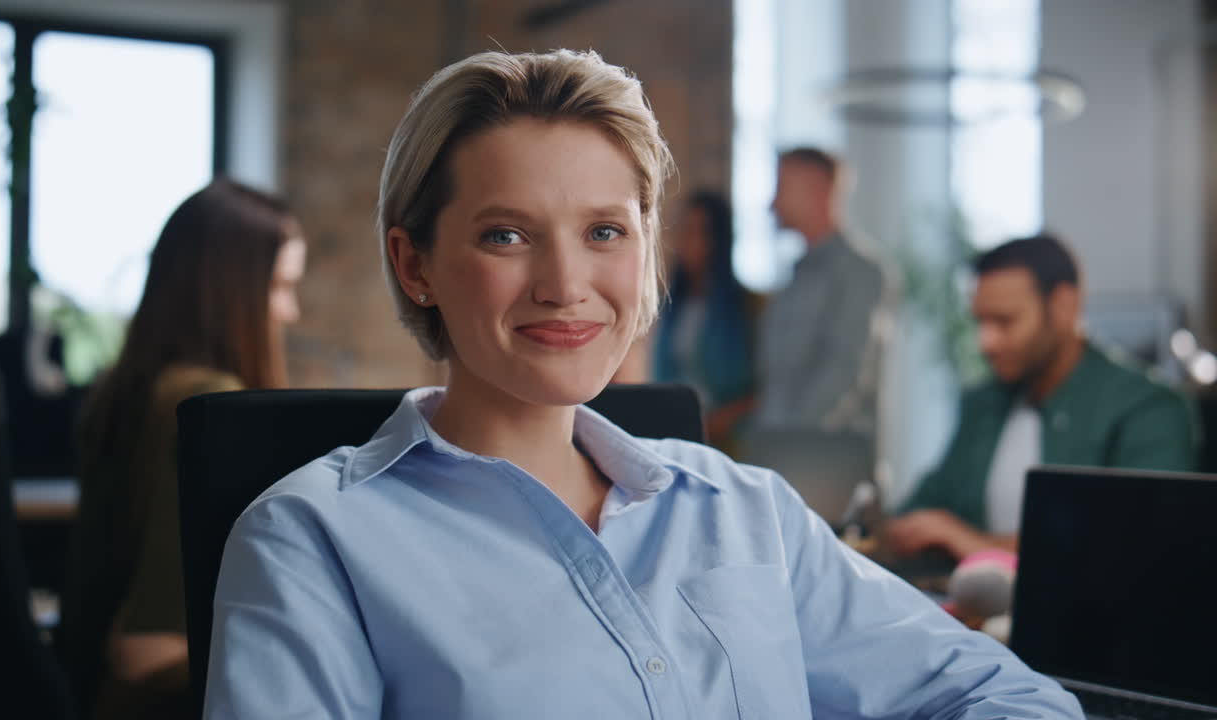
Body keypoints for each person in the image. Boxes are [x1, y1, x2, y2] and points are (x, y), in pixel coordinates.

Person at [204, 49, 1081, 718]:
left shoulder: (748, 513)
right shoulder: (312, 541)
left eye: (604, 233)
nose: (565, 285)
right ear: (415, 263)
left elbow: (1014, 699)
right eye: (507, 235)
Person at [62, 178, 306, 720]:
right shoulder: (206, 401)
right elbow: (146, 652)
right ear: (228, 289)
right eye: (278, 286)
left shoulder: (128, 389)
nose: (290, 312)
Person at [888, 233, 1196, 561]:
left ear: (1064, 306)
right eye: (981, 322)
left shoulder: (1148, 410)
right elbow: (922, 509)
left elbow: (1138, 545)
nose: (986, 342)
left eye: (1004, 321)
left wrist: (970, 543)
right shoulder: (983, 404)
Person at [710, 147, 886, 441]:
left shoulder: (860, 272)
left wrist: (789, 440)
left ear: (817, 188)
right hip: (778, 447)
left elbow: (844, 372)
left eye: (782, 187)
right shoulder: (797, 275)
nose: (773, 203)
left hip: (821, 454)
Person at [651, 189, 754, 446]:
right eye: (683, 230)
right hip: (676, 429)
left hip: (729, 434)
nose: (686, 241)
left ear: (718, 239)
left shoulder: (749, 306)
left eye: (697, 231)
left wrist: (715, 422)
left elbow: (763, 388)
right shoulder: (671, 305)